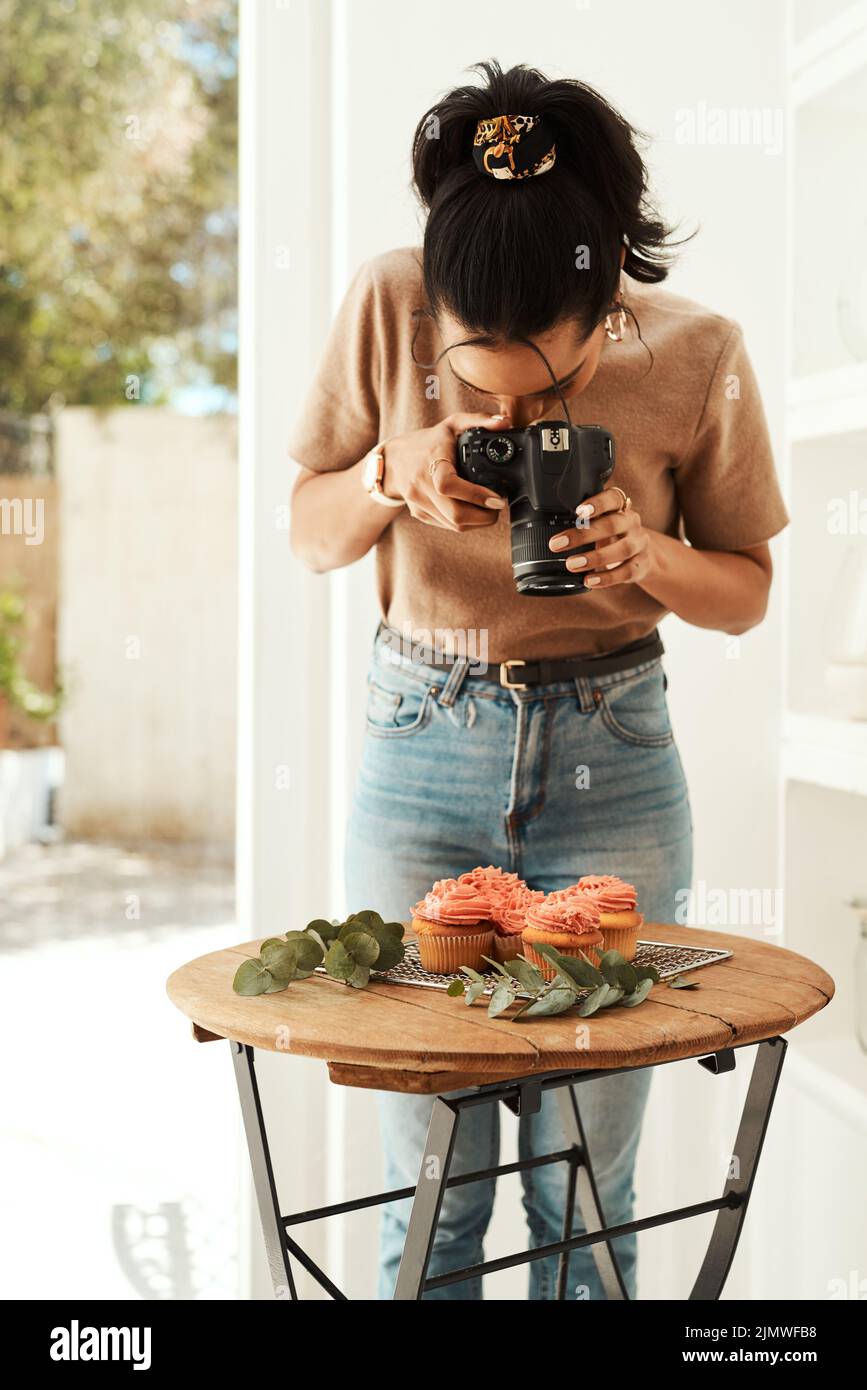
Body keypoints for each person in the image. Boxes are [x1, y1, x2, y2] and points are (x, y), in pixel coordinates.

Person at [288, 60, 788, 1300]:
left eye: (551, 391)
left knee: (582, 1178)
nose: (511, 421)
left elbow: (749, 589)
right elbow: (307, 533)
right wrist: (386, 475)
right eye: (477, 381)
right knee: (436, 1169)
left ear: (603, 295)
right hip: (422, 738)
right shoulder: (386, 303)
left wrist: (651, 554)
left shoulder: (696, 349)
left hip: (612, 750)